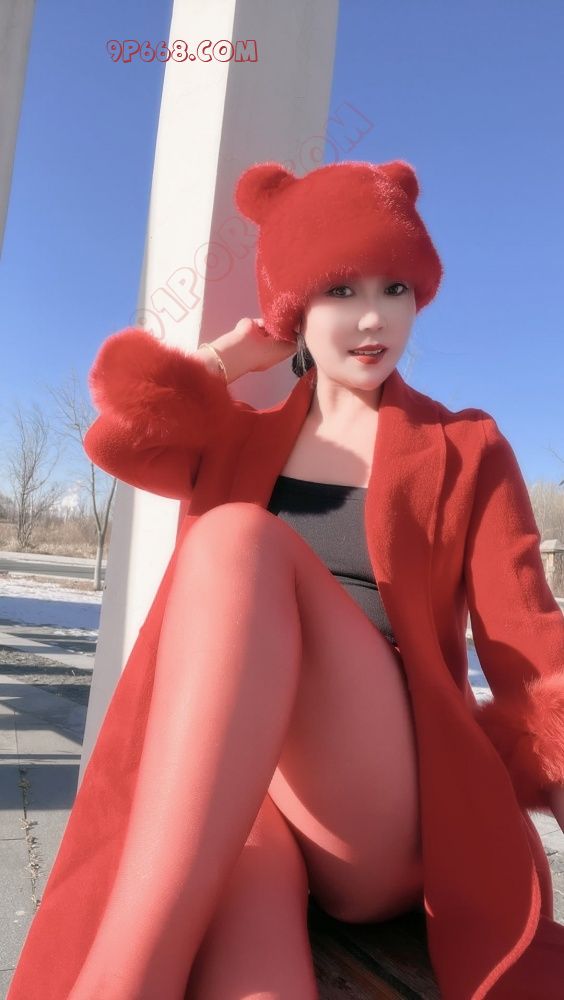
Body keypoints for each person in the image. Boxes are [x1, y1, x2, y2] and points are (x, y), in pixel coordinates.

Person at [7, 160, 564, 1000]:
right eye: (340, 290)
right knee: (233, 889)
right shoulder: (238, 439)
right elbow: (116, 443)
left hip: (390, 811)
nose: (374, 317)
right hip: (260, 801)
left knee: (235, 540)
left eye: (396, 288)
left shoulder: (465, 447)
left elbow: (533, 651)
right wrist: (227, 356)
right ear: (295, 305)